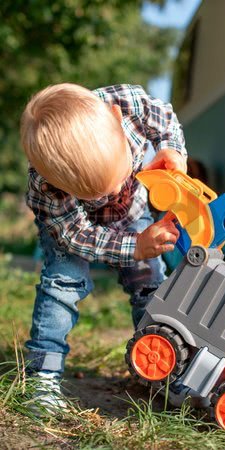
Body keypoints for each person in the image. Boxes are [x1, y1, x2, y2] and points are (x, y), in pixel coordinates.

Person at [20, 83, 199, 413]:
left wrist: (173, 150)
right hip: (72, 232)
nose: (118, 190)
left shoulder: (126, 103)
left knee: (150, 284)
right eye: (100, 193)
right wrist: (133, 247)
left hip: (134, 216)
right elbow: (79, 237)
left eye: (122, 174)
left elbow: (166, 119)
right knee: (62, 287)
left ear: (117, 119)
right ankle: (43, 376)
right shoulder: (48, 188)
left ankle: (163, 365)